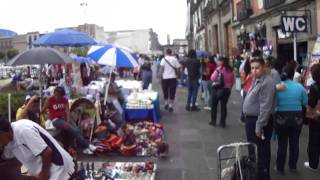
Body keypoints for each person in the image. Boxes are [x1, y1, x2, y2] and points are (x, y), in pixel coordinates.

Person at [0, 118, 74, 180]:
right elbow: (9, 157)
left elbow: (47, 152)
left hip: (57, 167)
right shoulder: (8, 141)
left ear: (3, 132)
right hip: (44, 170)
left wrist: (43, 174)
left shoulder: (23, 130)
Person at [242, 58, 275, 180]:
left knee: (260, 151)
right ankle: (256, 175)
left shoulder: (267, 82)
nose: (254, 71)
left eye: (257, 68)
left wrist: (259, 126)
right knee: (253, 150)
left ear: (264, 67)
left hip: (258, 121)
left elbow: (265, 107)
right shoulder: (257, 80)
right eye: (252, 68)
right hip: (251, 120)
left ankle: (263, 176)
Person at [41, 86, 96, 155]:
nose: (57, 97)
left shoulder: (64, 100)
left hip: (64, 118)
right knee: (73, 130)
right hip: (56, 120)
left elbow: (67, 111)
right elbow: (42, 110)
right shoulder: (50, 100)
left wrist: (68, 121)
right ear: (54, 93)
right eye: (56, 95)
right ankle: (87, 145)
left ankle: (84, 148)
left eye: (59, 96)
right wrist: (47, 117)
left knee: (76, 130)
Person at [274, 65, 308, 173]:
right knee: (294, 143)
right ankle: (293, 166)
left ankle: (280, 168)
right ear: (293, 75)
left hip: (281, 116)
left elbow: (274, 102)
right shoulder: (300, 87)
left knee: (282, 144)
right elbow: (305, 103)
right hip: (297, 117)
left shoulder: (278, 87)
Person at [209, 57, 234, 127]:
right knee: (223, 106)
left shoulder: (219, 69)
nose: (217, 62)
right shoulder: (230, 70)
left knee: (214, 106)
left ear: (222, 62)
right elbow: (232, 81)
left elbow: (212, 78)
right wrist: (229, 88)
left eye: (219, 61)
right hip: (227, 90)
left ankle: (213, 121)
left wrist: (216, 72)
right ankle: (222, 123)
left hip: (218, 89)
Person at [304, 63, 320, 171]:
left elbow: (311, 102)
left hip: (317, 118)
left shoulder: (314, 87)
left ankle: (313, 164)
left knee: (314, 141)